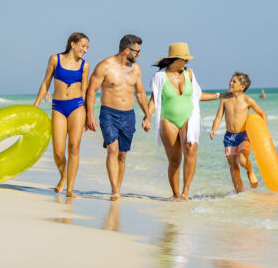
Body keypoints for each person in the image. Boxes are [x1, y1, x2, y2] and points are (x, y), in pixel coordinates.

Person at [148, 42, 223, 200]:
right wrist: (147, 117)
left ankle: (185, 192)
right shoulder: (159, 77)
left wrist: (219, 95)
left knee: (190, 151)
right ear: (175, 59)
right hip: (168, 120)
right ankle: (176, 195)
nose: (187, 62)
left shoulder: (189, 74)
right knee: (174, 160)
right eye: (185, 59)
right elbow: (154, 101)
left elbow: (198, 95)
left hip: (190, 118)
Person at [85, 34, 151, 200]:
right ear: (127, 50)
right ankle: (115, 190)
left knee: (122, 155)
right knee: (112, 149)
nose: (139, 55)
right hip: (108, 113)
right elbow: (91, 90)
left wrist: (147, 115)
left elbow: (141, 92)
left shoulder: (136, 69)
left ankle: (118, 187)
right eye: (137, 51)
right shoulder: (105, 66)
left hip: (128, 115)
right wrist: (89, 115)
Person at [33, 32, 90, 197]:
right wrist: (35, 105)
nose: (85, 50)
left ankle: (70, 189)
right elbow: (46, 82)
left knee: (74, 148)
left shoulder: (85, 65)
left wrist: (87, 115)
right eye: (83, 46)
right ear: (72, 44)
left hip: (77, 106)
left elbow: (84, 91)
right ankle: (64, 176)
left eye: (87, 47)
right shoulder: (55, 59)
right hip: (58, 106)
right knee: (58, 151)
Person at [210, 71, 267, 194]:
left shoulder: (247, 100)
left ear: (242, 87)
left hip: (243, 136)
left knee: (242, 161)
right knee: (233, 166)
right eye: (230, 80)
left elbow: (262, 113)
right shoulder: (225, 99)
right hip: (229, 137)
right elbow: (219, 116)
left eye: (234, 81)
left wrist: (264, 132)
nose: (230, 83)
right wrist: (213, 129)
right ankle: (239, 193)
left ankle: (249, 170)